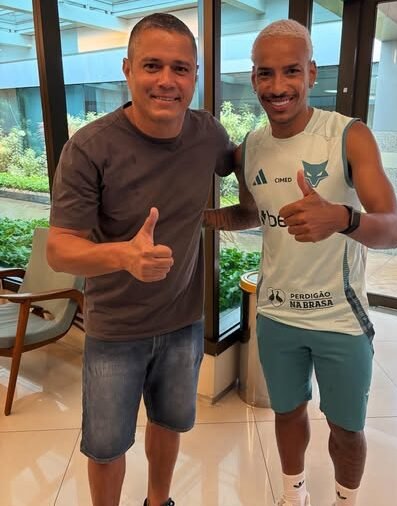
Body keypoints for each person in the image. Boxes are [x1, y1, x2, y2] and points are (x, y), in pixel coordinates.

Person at [204, 19, 397, 506]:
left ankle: (344, 501)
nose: (278, 86)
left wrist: (342, 219)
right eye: (265, 73)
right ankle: (293, 496)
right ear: (253, 78)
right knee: (287, 413)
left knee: (346, 428)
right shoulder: (251, 147)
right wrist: (199, 219)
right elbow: (250, 213)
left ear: (311, 72)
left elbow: (393, 228)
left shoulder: (348, 136)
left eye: (291, 71)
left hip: (340, 318)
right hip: (275, 313)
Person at [47, 13, 234, 506]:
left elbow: (250, 170)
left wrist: (244, 212)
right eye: (152, 65)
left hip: (183, 321)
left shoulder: (208, 135)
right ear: (127, 69)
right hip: (115, 329)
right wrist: (123, 256)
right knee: (107, 446)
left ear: (195, 76)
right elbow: (59, 248)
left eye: (180, 68)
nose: (167, 80)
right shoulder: (90, 147)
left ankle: (158, 502)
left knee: (169, 423)